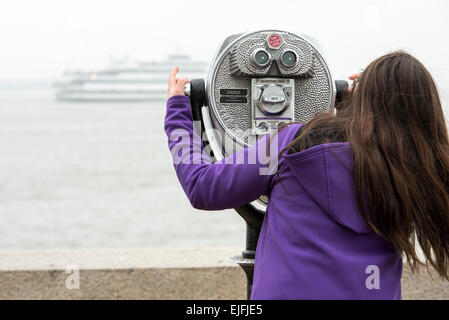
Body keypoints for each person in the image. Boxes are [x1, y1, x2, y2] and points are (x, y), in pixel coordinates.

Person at [164, 51, 449, 299]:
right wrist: (352, 108)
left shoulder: (291, 142)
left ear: (364, 97)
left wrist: (179, 111)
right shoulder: (420, 171)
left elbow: (202, 187)